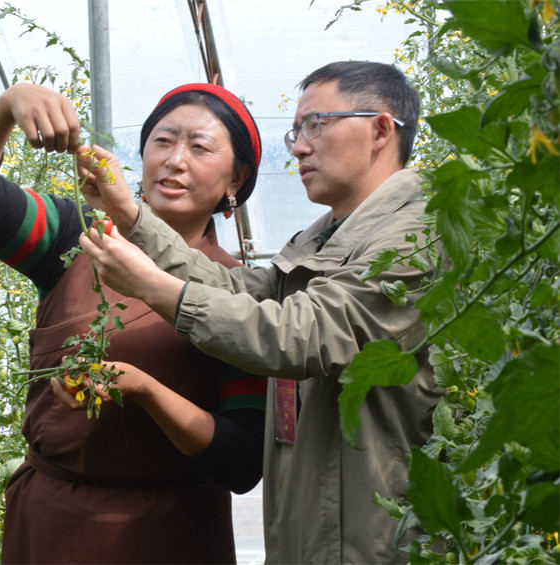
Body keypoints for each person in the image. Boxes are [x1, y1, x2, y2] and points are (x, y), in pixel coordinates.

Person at [77, 61, 444, 564]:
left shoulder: (417, 235)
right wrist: (133, 217)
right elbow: (236, 290)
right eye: (297, 130)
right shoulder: (321, 236)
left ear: (380, 129)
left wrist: (153, 287)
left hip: (375, 543)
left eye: (316, 124)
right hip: (309, 537)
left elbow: (305, 335)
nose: (298, 146)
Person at [0, 82, 267, 564]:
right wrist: (8, 104)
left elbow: (242, 462)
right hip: (52, 526)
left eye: (199, 147)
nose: (175, 159)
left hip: (172, 534)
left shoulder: (243, 295)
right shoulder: (77, 238)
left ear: (236, 180)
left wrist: (145, 389)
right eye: (163, 140)